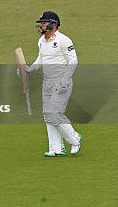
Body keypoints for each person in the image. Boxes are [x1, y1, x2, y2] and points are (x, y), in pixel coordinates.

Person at [25, 11, 81, 156]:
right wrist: (29, 69)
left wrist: (65, 79)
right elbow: (40, 59)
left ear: (54, 24)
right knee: (48, 115)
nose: (41, 25)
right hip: (47, 82)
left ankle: (74, 138)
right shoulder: (41, 41)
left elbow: (73, 61)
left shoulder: (64, 40)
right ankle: (56, 149)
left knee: (54, 114)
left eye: (44, 22)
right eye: (41, 23)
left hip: (61, 81)